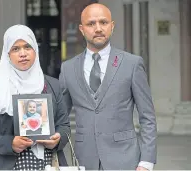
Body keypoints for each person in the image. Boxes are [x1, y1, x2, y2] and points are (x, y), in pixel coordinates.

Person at [59, 3, 157, 171]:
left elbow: (147, 117)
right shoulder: (68, 68)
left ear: (112, 26)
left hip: (125, 159)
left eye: (103, 22)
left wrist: (146, 162)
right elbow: (60, 117)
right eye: (91, 24)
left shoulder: (132, 64)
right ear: (82, 29)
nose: (98, 28)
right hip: (85, 159)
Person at [0, 24, 70, 170]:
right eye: (15, 49)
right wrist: (10, 143)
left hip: (48, 164)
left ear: (35, 51)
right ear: (8, 54)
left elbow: (64, 126)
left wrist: (58, 139)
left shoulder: (53, 85)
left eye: (27, 47)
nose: (23, 53)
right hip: (7, 165)